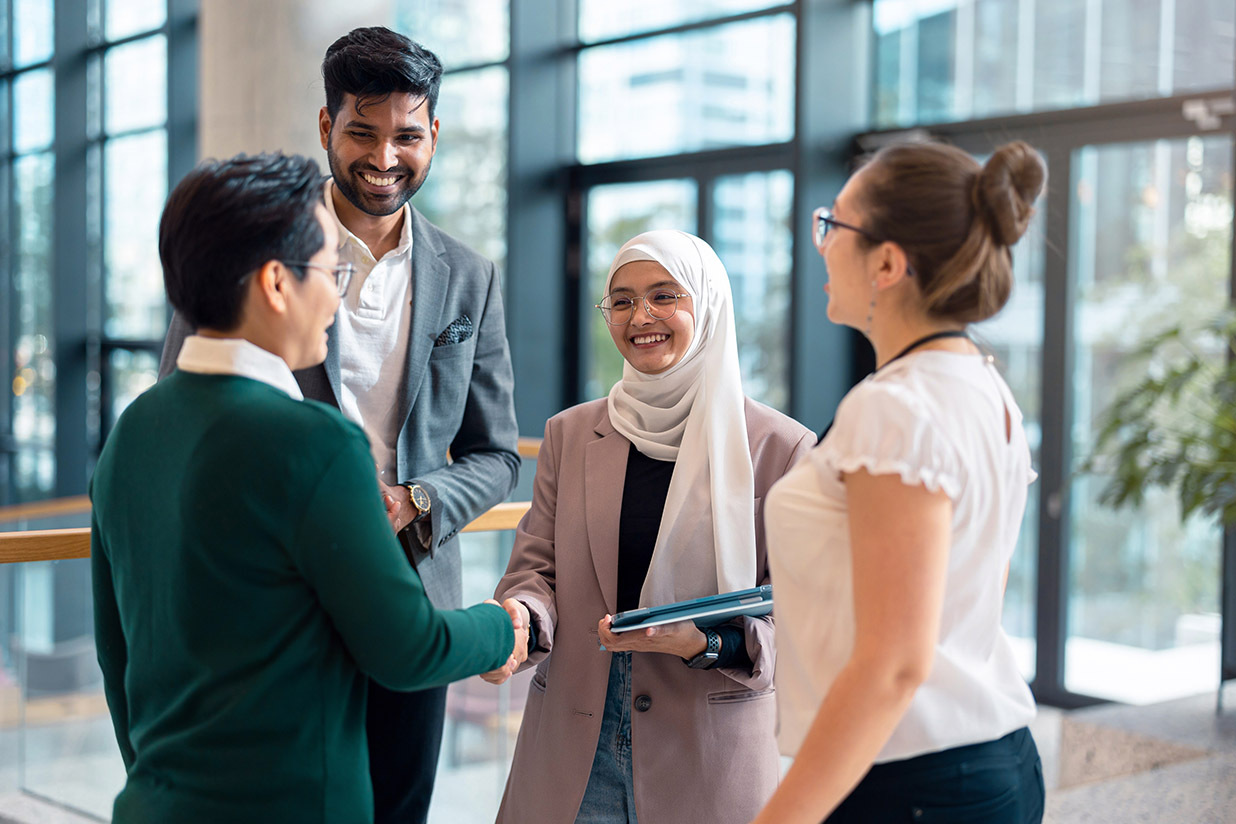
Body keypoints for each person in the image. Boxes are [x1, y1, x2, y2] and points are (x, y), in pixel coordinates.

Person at [90, 152, 526, 824]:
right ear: (275, 283)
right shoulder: (315, 443)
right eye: (329, 271)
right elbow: (408, 649)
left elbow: (114, 648)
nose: (335, 295)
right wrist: (502, 629)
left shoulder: (132, 433)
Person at [751, 140, 1048, 824]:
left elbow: (893, 664)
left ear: (887, 262)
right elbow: (974, 596)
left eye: (835, 226)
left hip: (914, 780)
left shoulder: (895, 408)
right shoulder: (985, 387)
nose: (822, 244)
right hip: (984, 762)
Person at [485, 230, 815, 824]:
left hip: (706, 752)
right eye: (622, 300)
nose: (641, 317)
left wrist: (704, 641)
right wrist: (522, 616)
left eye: (665, 296)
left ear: (708, 303)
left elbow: (802, 620)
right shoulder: (570, 434)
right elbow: (536, 569)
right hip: (572, 744)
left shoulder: (780, 448)